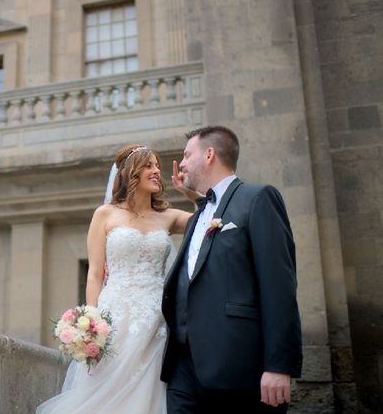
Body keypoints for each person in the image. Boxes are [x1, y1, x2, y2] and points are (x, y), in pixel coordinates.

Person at [37, 144, 194, 413]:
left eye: (157, 166)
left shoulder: (168, 217)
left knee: (151, 391)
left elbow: (209, 220)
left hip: (158, 320)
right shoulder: (105, 215)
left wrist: (190, 194)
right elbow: (95, 274)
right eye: (149, 165)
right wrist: (92, 326)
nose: (157, 171)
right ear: (131, 173)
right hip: (116, 317)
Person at [161, 126, 302, 413]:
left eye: (187, 155)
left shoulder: (258, 198)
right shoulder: (197, 216)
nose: (182, 163)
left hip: (238, 369)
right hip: (183, 369)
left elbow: (279, 284)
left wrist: (278, 365)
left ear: (209, 154)